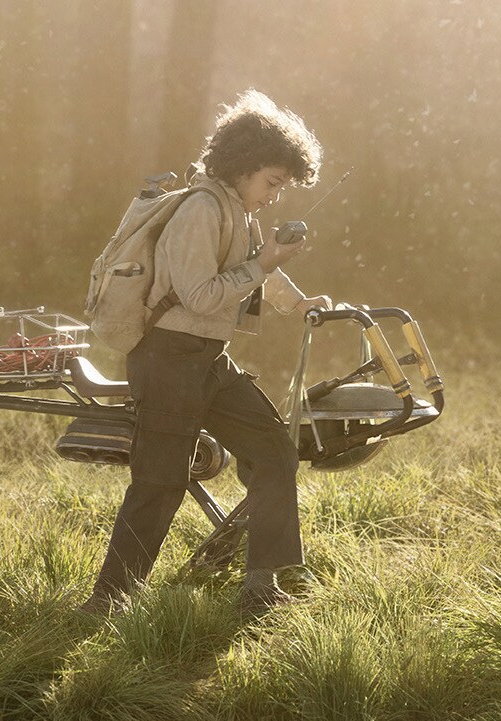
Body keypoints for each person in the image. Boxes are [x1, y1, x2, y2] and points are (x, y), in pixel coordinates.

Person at [82, 90, 332, 616]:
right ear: (243, 165)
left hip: (208, 360)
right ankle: (107, 602)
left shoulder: (235, 210)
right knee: (160, 482)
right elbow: (201, 295)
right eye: (272, 183)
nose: (274, 197)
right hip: (167, 357)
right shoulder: (199, 209)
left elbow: (258, 265)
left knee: (274, 452)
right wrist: (262, 267)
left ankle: (260, 587)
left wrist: (298, 301)